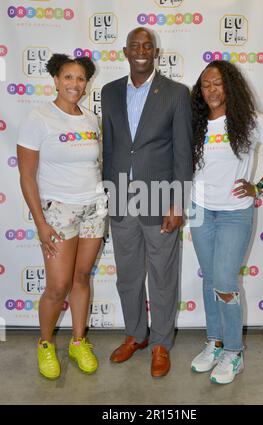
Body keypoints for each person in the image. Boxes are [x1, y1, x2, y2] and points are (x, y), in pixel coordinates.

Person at [190, 60, 263, 384]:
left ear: (230, 86)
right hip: (200, 210)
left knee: (224, 280)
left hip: (235, 212)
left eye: (218, 83)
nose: (212, 89)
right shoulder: (195, 122)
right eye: (206, 84)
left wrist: (259, 186)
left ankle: (234, 352)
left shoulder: (250, 121)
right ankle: (215, 342)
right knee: (210, 280)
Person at [101, 27, 193, 377]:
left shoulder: (175, 93)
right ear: (125, 52)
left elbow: (183, 153)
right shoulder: (109, 93)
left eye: (147, 46)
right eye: (135, 46)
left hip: (160, 203)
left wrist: (177, 202)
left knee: (163, 277)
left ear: (156, 52)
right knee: (128, 276)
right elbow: (110, 149)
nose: (141, 50)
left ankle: (160, 344)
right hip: (122, 200)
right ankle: (135, 335)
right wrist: (110, 196)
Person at [17, 54, 107, 379]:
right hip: (59, 210)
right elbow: (27, 176)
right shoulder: (39, 117)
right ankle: (45, 343)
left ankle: (78, 341)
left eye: (80, 78)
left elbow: (96, 165)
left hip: (94, 208)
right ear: (55, 79)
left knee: (82, 278)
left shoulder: (90, 118)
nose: (74, 84)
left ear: (86, 84)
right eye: (68, 77)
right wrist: (41, 223)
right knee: (57, 286)